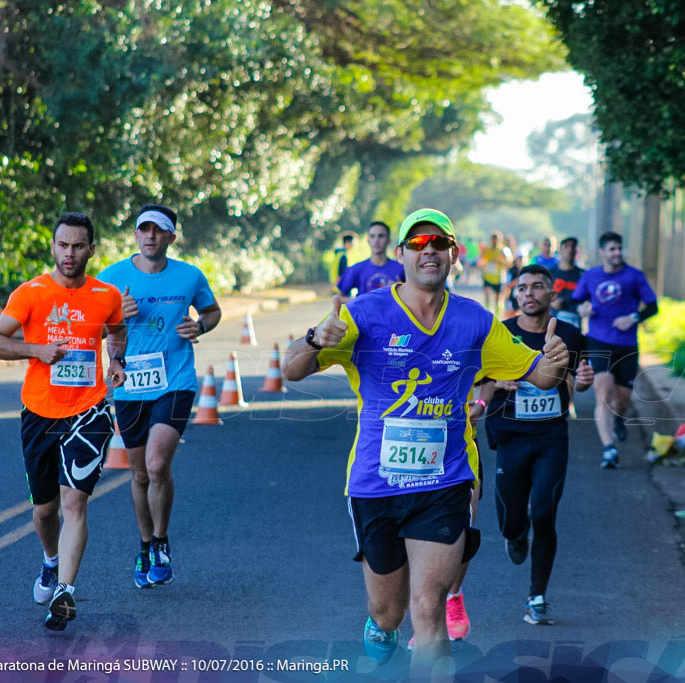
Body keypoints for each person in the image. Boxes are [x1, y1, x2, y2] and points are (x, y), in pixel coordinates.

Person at [282, 208, 570, 675]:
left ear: (455, 254)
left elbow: (538, 373)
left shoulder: (474, 322)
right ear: (401, 255)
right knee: (388, 613)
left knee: (429, 608)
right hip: (376, 483)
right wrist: (316, 339)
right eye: (417, 244)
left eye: (439, 243)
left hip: (445, 481)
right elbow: (293, 370)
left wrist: (555, 360)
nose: (429, 250)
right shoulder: (363, 314)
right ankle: (380, 630)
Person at [0, 212, 127, 631]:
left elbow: (117, 330)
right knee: (45, 510)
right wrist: (36, 351)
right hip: (40, 414)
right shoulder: (30, 294)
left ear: (91, 249)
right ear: (53, 246)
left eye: (78, 245)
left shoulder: (106, 294)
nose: (70, 253)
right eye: (63, 245)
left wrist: (115, 360)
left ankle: (64, 591)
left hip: (90, 410)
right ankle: (50, 562)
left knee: (74, 503)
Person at [97, 204, 222, 588]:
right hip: (131, 385)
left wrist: (199, 325)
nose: (150, 235)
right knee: (137, 475)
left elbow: (213, 311)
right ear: (136, 235)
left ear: (171, 237)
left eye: (158, 230)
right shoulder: (111, 277)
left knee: (155, 465)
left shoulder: (189, 276)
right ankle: (145, 544)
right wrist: (115, 317)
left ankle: (162, 541)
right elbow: (92, 330)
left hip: (175, 382)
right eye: (144, 229)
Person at [480, 264, 593, 625]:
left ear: (551, 295)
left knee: (544, 512)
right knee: (512, 522)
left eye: (538, 287)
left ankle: (537, 597)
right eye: (523, 287)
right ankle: (516, 535)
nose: (529, 293)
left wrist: (586, 381)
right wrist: (499, 382)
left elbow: (578, 380)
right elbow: (477, 381)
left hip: (550, 436)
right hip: (510, 435)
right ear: (515, 295)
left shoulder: (571, 335)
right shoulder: (500, 334)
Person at [571, 232, 658, 469]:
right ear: (602, 252)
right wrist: (582, 309)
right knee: (604, 394)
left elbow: (652, 306)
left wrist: (633, 318)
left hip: (627, 344)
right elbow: (575, 300)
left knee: (622, 399)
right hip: (599, 341)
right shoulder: (591, 276)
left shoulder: (633, 276)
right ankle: (609, 449)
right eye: (612, 249)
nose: (617, 252)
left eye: (619, 248)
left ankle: (620, 418)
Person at [337, 221, 405, 298]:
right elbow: (338, 298)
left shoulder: (402, 268)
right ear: (368, 240)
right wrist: (359, 303)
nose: (376, 240)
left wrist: (401, 290)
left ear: (389, 240)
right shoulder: (356, 269)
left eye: (381, 236)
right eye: (372, 236)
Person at [550, 237, 586, 329]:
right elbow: (542, 294)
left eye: (573, 247)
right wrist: (550, 302)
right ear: (560, 250)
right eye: (566, 246)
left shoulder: (583, 275)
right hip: (552, 322)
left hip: (574, 323)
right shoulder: (551, 273)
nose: (570, 249)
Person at [477, 231, 511, 316]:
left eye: (496, 239)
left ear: (500, 240)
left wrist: (500, 262)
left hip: (498, 278)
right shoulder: (487, 249)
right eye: (493, 239)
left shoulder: (503, 250)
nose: (494, 241)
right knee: (487, 297)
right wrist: (483, 265)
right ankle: (488, 315)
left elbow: (509, 263)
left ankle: (497, 317)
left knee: (498, 300)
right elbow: (480, 261)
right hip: (487, 277)